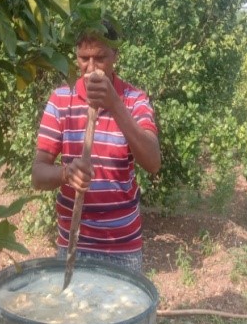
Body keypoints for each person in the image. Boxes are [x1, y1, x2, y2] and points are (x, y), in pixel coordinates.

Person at [31, 21, 161, 273]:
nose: (90, 69)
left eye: (100, 58)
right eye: (83, 58)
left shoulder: (134, 100)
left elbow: (153, 162)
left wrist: (114, 104)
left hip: (122, 249)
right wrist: (66, 174)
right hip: (73, 245)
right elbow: (38, 175)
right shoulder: (61, 100)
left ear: (116, 56)